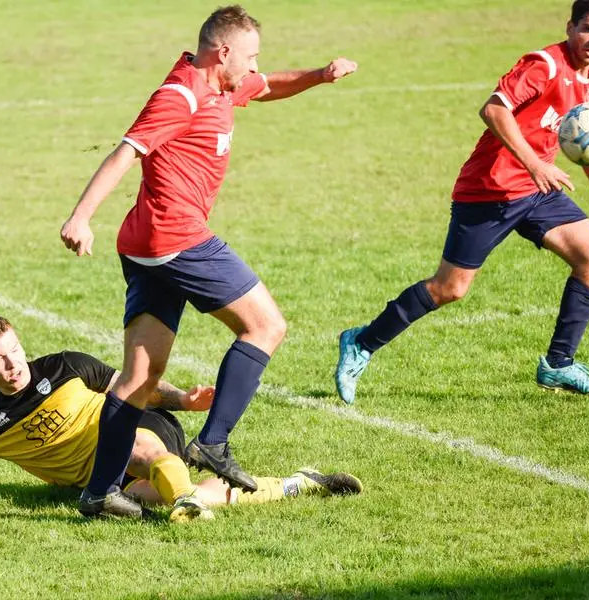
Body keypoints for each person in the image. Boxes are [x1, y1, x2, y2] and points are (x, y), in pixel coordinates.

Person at [60, 4, 358, 518]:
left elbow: (267, 86)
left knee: (139, 380)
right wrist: (81, 216)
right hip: (176, 237)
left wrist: (319, 76)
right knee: (266, 327)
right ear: (223, 52)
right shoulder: (181, 95)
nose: (255, 65)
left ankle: (99, 491)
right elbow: (125, 153)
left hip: (145, 246)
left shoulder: (222, 84)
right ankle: (212, 443)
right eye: (250, 55)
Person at [336, 0, 589, 405]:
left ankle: (558, 362)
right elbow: (494, 109)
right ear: (570, 27)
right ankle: (362, 341)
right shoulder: (544, 65)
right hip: (490, 189)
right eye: (588, 29)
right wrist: (534, 164)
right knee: (450, 288)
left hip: (537, 191)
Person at [0, 316, 363, 522]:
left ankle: (181, 501)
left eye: (15, 350)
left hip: (140, 433)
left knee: (139, 449)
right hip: (102, 484)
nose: (12, 363)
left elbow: (135, 390)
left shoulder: (66, 366)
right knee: (196, 495)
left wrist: (181, 399)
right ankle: (299, 484)